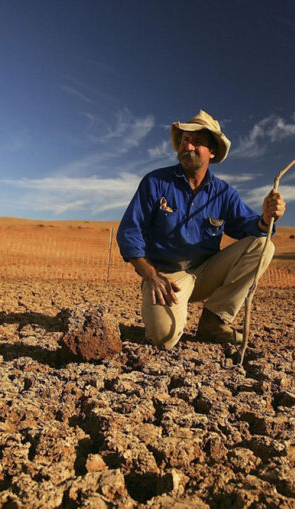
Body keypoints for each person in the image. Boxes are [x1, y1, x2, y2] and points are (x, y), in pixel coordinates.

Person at [117, 110, 286, 349]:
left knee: (263, 245)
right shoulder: (155, 182)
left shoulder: (223, 193)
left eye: (197, 142)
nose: (189, 146)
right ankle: (171, 313)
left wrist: (268, 217)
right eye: (185, 140)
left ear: (212, 152)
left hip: (206, 272)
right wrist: (151, 275)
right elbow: (130, 231)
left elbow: (249, 227)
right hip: (167, 277)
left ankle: (214, 321)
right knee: (162, 340)